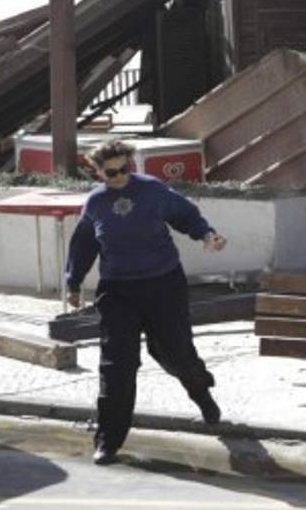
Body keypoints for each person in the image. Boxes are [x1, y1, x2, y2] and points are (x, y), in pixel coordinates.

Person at [64, 138, 228, 466]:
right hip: (117, 290)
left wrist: (207, 235)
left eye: (124, 169)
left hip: (163, 283)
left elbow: (186, 215)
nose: (120, 177)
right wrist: (73, 282)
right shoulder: (95, 203)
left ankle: (201, 392)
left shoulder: (152, 190)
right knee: (117, 366)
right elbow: (83, 245)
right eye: (112, 173)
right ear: (99, 173)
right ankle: (108, 440)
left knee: (175, 352)